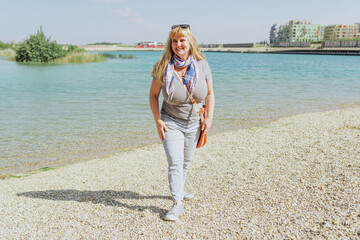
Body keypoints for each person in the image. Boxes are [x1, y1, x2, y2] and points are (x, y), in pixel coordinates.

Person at [149, 24, 215, 221]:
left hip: (195, 121)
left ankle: (180, 189)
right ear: (171, 43)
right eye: (174, 41)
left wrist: (209, 118)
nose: (178, 44)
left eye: (182, 40)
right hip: (171, 121)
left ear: (190, 42)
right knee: (175, 162)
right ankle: (177, 203)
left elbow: (210, 94)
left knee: (186, 161)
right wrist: (158, 121)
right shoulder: (163, 66)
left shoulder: (202, 64)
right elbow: (153, 96)